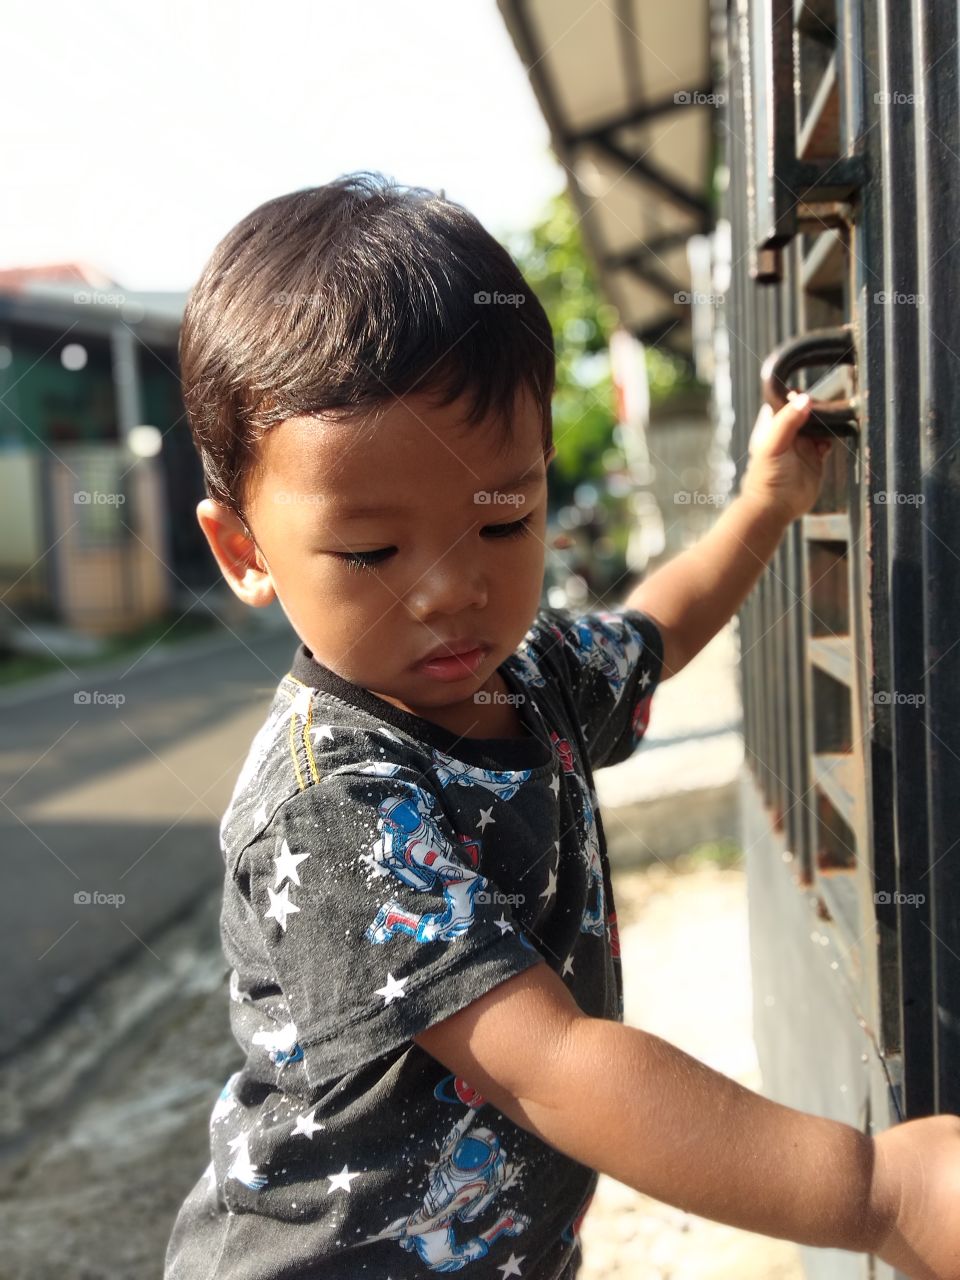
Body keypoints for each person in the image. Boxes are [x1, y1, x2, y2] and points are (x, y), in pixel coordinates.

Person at [163, 172, 960, 1280]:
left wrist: (765, 505)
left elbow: (654, 631)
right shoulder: (329, 805)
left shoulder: (521, 670)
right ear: (245, 548)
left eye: (504, 520)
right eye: (374, 552)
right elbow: (550, 1061)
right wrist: (876, 1191)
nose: (450, 590)